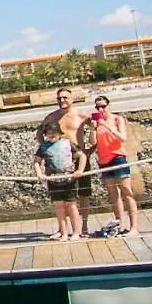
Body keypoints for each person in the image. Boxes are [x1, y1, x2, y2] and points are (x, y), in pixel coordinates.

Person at [40, 86, 94, 236]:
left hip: (78, 159)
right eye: (59, 98)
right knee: (60, 198)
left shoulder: (81, 116)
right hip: (58, 162)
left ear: (72, 99)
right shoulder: (51, 118)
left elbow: (94, 134)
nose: (62, 100)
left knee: (83, 194)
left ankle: (84, 226)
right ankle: (61, 229)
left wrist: (90, 150)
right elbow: (40, 133)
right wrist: (45, 151)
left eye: (65, 97)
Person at [91, 95, 140, 236]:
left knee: (126, 190)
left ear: (108, 106)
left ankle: (134, 227)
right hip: (103, 160)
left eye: (103, 106)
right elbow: (93, 142)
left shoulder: (117, 119)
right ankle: (119, 225)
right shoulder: (96, 123)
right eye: (97, 107)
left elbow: (123, 138)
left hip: (117, 157)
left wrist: (106, 125)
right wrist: (93, 128)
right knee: (113, 195)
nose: (101, 109)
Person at [34, 121, 86, 241]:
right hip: (53, 181)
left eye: (55, 132)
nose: (52, 135)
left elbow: (82, 155)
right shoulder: (43, 147)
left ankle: (76, 232)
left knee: (71, 205)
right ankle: (63, 233)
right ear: (46, 134)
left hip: (69, 179)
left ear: (59, 133)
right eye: (49, 133)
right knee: (59, 206)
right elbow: (37, 161)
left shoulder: (68, 143)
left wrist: (80, 170)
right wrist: (39, 173)